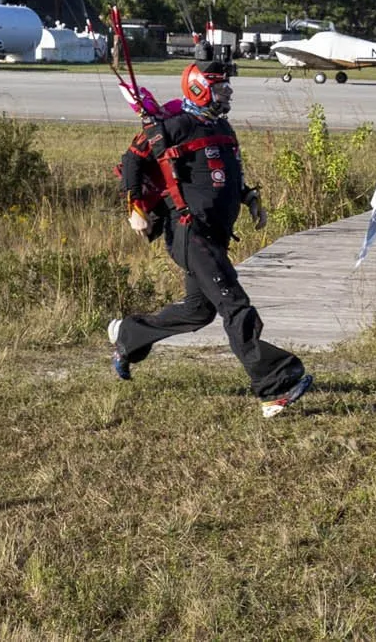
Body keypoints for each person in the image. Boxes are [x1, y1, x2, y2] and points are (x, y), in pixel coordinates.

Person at [108, 59, 313, 415]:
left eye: (226, 87)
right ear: (200, 89)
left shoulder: (222, 126)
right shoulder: (173, 127)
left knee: (196, 312)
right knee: (235, 305)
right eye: (220, 88)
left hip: (214, 234)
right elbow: (132, 160)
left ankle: (129, 335)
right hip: (189, 232)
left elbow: (224, 173)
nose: (227, 93)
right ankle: (275, 387)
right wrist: (135, 209)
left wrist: (249, 198)